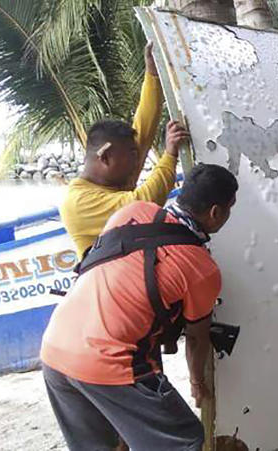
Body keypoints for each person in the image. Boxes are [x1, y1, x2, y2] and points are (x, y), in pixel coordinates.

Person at [40, 163, 238, 450]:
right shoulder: (202, 269)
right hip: (109, 361)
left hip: (55, 348)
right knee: (183, 440)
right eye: (230, 208)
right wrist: (197, 383)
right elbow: (196, 339)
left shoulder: (130, 212)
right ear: (216, 212)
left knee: (102, 446)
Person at [60, 42, 189, 256]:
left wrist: (152, 74)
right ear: (105, 157)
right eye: (131, 156)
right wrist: (170, 155)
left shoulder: (115, 176)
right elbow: (142, 203)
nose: (135, 165)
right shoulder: (77, 202)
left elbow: (143, 128)